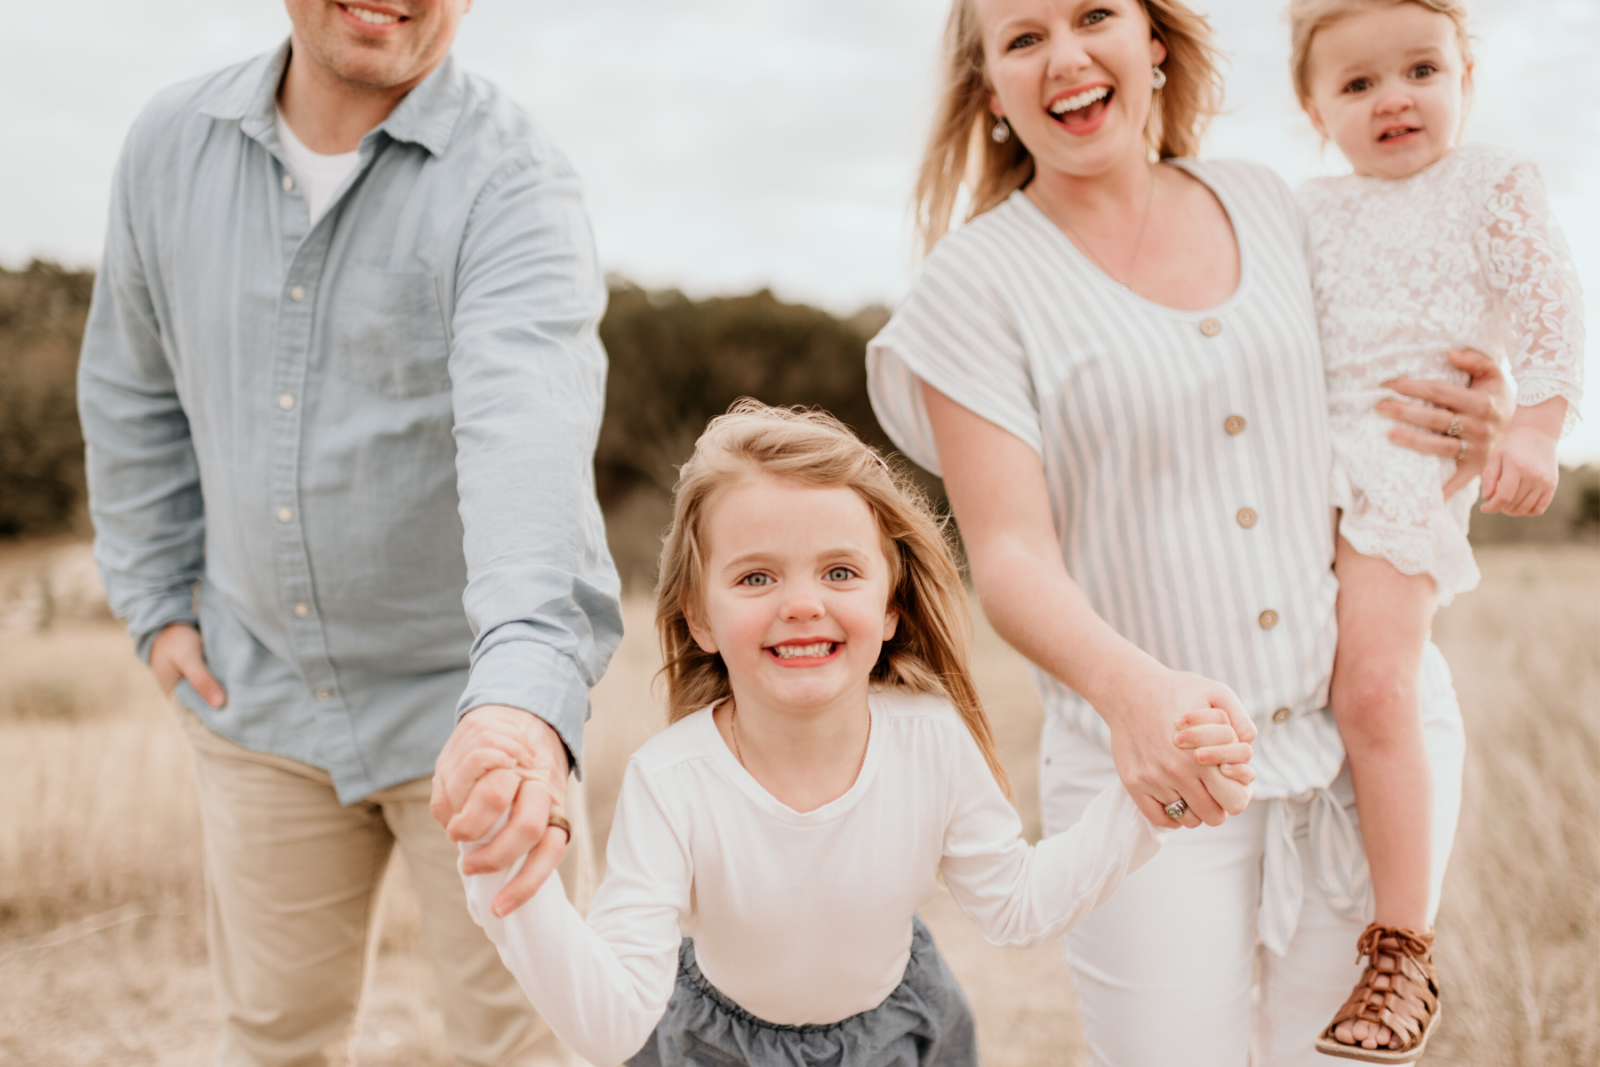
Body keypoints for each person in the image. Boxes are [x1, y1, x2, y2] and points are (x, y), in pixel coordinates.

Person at [863, 0, 1513, 1063]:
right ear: (991, 91)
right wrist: (1136, 694)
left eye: (1093, 16)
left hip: (1360, 755)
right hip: (1148, 781)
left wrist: (1481, 418)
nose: (1065, 57)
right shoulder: (969, 292)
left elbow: (1385, 385)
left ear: (1153, 41)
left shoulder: (1271, 204)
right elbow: (1013, 557)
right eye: (1024, 39)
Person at [76, 2, 623, 1063]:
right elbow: (130, 388)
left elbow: (526, 437)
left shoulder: (515, 182)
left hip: (469, 715)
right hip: (260, 700)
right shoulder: (166, 145)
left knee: (535, 1043)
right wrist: (153, 603)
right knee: (271, 1036)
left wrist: (516, 705)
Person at [458, 402, 1255, 1067]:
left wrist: (1150, 800)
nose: (801, 602)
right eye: (756, 576)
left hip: (901, 1036)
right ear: (699, 615)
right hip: (711, 1046)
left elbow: (1017, 905)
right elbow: (611, 1025)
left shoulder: (932, 743)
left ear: (890, 606)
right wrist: (508, 885)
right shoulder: (671, 780)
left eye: (839, 572)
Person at [1288, 0, 1585, 1058]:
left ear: (1465, 72)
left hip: (1403, 457)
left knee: (1373, 684)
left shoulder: (1489, 180)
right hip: (1285, 461)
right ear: (1312, 104)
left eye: (1419, 69)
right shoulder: (1302, 208)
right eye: (1357, 84)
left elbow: (1549, 306)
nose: (1393, 98)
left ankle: (1401, 944)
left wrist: (1537, 429)